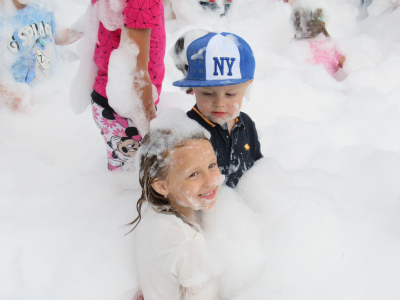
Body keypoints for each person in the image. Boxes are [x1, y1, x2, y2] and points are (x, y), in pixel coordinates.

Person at [130, 109, 222, 300]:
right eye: (193, 174)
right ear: (161, 186)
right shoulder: (189, 244)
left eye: (212, 165)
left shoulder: (153, 212)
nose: (211, 181)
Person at [173, 32, 263, 188]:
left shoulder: (247, 124)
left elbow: (259, 166)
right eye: (208, 93)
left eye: (230, 94)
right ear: (193, 88)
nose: (219, 103)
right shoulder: (187, 132)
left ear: (248, 86)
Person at [90, 0, 166, 170]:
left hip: (113, 97)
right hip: (125, 107)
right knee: (135, 177)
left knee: (129, 170)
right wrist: (152, 130)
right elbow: (137, 74)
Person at [0, 0, 82, 110]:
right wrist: (10, 97)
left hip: (51, 90)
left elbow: (55, 36)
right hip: (19, 99)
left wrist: (79, 30)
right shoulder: (4, 18)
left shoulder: (42, 7)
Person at [291, 7, 345, 76]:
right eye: (322, 18)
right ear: (321, 25)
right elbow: (348, 63)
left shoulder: (295, 49)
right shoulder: (329, 48)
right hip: (325, 84)